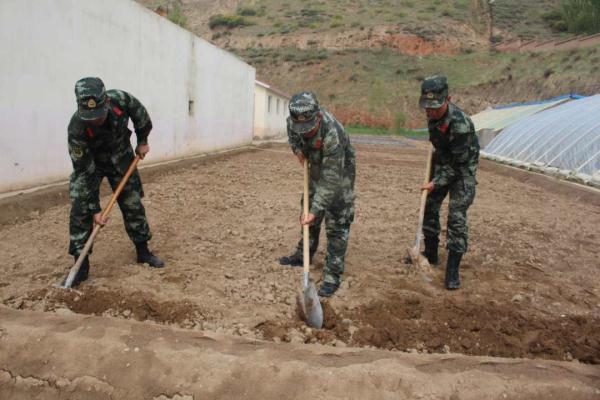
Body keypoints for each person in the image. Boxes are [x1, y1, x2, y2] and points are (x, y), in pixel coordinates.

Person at [66, 77, 164, 287]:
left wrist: (143, 141)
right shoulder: (76, 128)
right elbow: (83, 171)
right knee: (80, 207)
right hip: (91, 165)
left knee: (132, 202)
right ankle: (80, 267)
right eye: (89, 117)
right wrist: (94, 209)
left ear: (106, 103)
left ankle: (143, 251)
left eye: (98, 115)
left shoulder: (121, 99)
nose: (95, 120)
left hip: (121, 158)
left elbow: (142, 117)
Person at [279, 92, 356, 297]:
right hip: (314, 167)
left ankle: (332, 274)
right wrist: (297, 150)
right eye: (300, 128)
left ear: (318, 117)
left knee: (337, 221)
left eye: (309, 128)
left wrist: (317, 209)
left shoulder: (332, 133)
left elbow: (331, 180)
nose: (304, 131)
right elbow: (293, 137)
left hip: (339, 173)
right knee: (308, 212)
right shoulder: (294, 120)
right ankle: (304, 253)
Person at [418, 75, 479, 290]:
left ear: (448, 99)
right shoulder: (432, 114)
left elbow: (457, 164)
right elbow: (440, 149)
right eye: (427, 107)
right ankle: (431, 254)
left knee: (456, 216)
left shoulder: (460, 124)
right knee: (429, 206)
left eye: (435, 107)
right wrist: (434, 175)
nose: (431, 112)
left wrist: (436, 181)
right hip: (444, 164)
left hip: (462, 170)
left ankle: (452, 269)